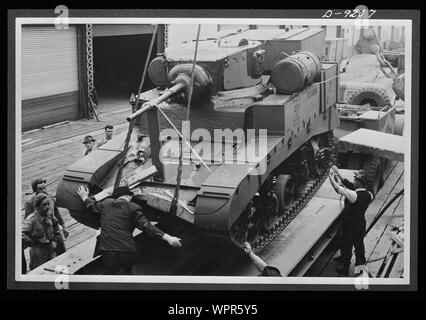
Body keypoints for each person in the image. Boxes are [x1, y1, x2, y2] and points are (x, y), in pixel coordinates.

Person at [76, 185, 182, 275]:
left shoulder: (106, 203)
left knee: (112, 278)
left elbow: (91, 205)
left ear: (116, 197)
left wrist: (84, 197)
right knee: (127, 276)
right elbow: (147, 226)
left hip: (108, 250)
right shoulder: (133, 207)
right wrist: (168, 238)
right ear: (130, 196)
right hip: (127, 251)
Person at [328, 165, 374, 276]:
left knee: (346, 243)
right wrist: (337, 172)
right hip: (361, 223)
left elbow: (338, 189)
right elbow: (349, 185)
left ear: (360, 183)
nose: (354, 181)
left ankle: (345, 266)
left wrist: (330, 177)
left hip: (351, 223)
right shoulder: (369, 194)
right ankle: (360, 267)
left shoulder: (354, 195)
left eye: (356, 180)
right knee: (359, 245)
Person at [24, 178, 68, 256]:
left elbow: (56, 212)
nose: (44, 190)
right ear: (35, 190)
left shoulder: (50, 197)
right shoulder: (29, 202)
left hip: (55, 232)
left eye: (44, 187)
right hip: (42, 241)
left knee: (62, 255)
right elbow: (28, 224)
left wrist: (64, 226)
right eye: (40, 189)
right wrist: (35, 243)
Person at [22, 193, 62, 271]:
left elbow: (56, 226)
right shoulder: (31, 219)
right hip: (38, 252)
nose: (47, 207)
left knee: (52, 271)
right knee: (39, 273)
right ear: (37, 206)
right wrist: (33, 243)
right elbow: (21, 234)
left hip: (50, 249)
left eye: (48, 204)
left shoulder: (49, 215)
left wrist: (54, 240)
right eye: (44, 205)